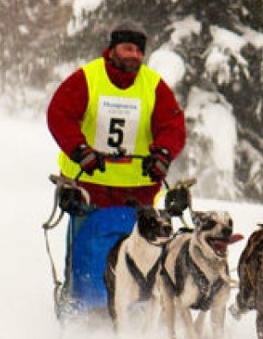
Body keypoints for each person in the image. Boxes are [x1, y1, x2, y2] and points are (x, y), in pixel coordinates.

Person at [47, 25, 186, 208]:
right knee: (89, 236)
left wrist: (163, 153)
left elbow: (172, 125)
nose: (134, 55)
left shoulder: (153, 85)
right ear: (112, 50)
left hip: (137, 190)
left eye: (139, 51)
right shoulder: (87, 78)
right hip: (86, 186)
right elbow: (60, 115)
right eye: (128, 48)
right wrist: (79, 150)